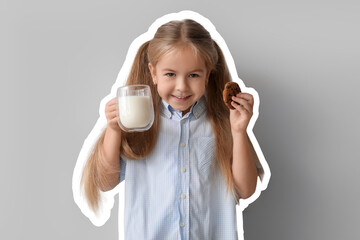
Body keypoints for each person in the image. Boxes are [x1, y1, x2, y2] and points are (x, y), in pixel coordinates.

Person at [80, 18, 264, 239]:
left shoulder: (222, 122)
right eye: (170, 74)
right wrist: (114, 130)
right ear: (153, 73)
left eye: (193, 75)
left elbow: (246, 190)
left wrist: (239, 131)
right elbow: (105, 182)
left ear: (208, 75)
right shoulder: (137, 121)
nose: (182, 86)